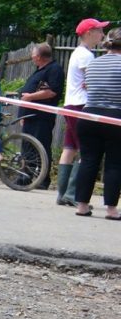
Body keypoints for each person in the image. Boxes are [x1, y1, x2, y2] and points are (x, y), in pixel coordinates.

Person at [57, 18, 108, 205]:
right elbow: (89, 82)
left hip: (71, 103)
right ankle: (71, 193)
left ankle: (62, 194)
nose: (102, 35)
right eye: (99, 31)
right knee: (86, 151)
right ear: (89, 33)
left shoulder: (80, 53)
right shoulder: (86, 56)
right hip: (80, 105)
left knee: (69, 148)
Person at [72, 28, 121, 219]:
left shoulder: (93, 64)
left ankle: (82, 205)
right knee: (115, 164)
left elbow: (89, 88)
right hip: (115, 117)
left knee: (89, 161)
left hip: (89, 116)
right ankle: (111, 209)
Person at [16, 43, 64, 190]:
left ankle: (43, 179)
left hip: (41, 116)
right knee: (27, 146)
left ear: (39, 57)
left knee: (41, 146)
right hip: (30, 115)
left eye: (33, 56)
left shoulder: (54, 69)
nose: (32, 58)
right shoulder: (39, 70)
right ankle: (26, 176)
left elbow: (52, 91)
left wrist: (30, 97)